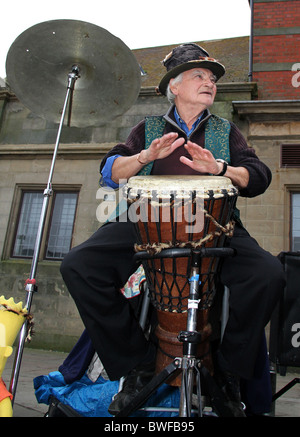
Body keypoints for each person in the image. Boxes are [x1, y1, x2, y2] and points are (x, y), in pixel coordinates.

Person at [60, 43, 285, 416]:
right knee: (79, 265)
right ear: (174, 87)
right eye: (199, 75)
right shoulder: (147, 128)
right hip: (145, 223)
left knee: (268, 274)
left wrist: (221, 169)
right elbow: (108, 171)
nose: (209, 82)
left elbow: (259, 176)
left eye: (212, 78)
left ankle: (228, 371)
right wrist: (144, 157)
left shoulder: (224, 130)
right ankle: (137, 363)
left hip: (214, 225)